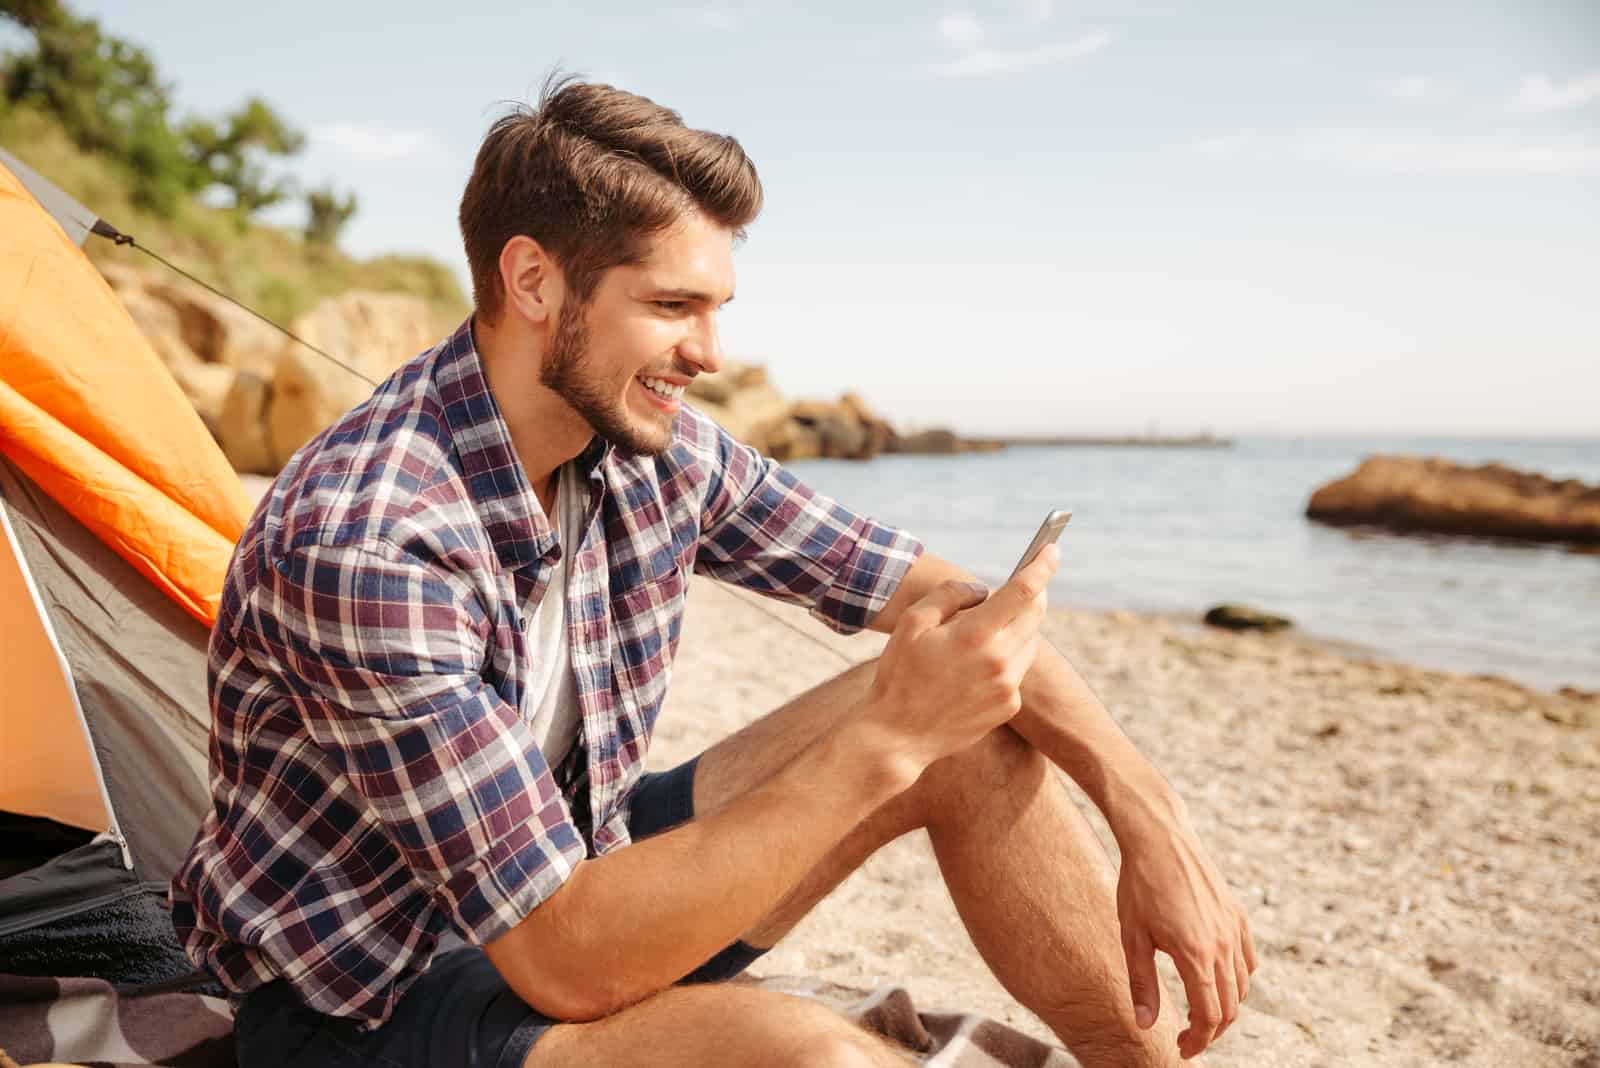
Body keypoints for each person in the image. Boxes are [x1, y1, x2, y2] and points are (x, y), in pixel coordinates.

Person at [171, 78, 1255, 1068]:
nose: (710, 353)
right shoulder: (369, 544)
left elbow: (952, 603)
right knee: (806, 1056)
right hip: (368, 1000)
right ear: (535, 281)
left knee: (967, 729)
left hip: (566, 872)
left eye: (717, 308)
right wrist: (887, 740)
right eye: (673, 307)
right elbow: (563, 964)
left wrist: (1146, 817)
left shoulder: (655, 447)